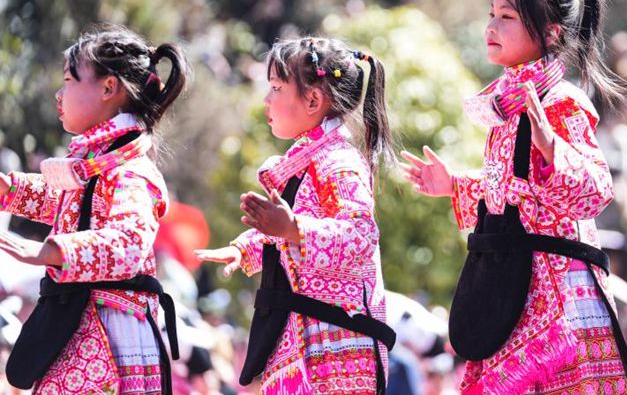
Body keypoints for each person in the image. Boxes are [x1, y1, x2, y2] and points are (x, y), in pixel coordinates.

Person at [401, 0, 627, 394]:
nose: (490, 27)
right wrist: (454, 185)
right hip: (513, 290)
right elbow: (513, 195)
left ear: (550, 33)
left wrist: (556, 152)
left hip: (557, 305)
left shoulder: (562, 102)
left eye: (506, 17)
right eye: (491, 14)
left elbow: (597, 191)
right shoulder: (508, 107)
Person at [196, 37, 395, 394]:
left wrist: (292, 227)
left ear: (314, 100)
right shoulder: (307, 160)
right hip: (308, 341)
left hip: (335, 350)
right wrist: (245, 248)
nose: (265, 99)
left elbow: (361, 236)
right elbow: (290, 231)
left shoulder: (338, 161)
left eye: (275, 88)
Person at [0, 25, 188, 394]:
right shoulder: (100, 165)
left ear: (108, 88)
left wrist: (54, 251)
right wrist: (8, 190)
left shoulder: (132, 171)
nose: (59, 94)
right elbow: (67, 202)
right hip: (82, 326)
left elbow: (129, 242)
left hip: (111, 339)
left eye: (69, 80)